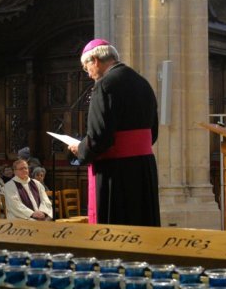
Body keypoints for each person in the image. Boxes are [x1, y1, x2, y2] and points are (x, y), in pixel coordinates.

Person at [68, 38, 161, 226]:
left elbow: (99, 136)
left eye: (86, 68)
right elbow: (153, 131)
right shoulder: (143, 82)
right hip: (144, 168)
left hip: (116, 173)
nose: (88, 74)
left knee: (117, 229)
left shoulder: (105, 85)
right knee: (143, 225)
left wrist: (81, 149)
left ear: (95, 60)